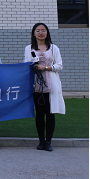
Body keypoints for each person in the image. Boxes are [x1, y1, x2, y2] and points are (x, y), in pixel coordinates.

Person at [24, 23, 65, 152]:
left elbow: (59, 65)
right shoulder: (29, 48)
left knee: (50, 113)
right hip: (36, 85)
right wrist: (33, 67)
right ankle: (41, 141)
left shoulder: (53, 48)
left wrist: (46, 67)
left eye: (43, 30)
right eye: (38, 30)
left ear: (47, 32)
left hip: (51, 84)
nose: (40, 33)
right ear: (34, 33)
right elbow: (26, 64)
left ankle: (48, 141)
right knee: (40, 113)